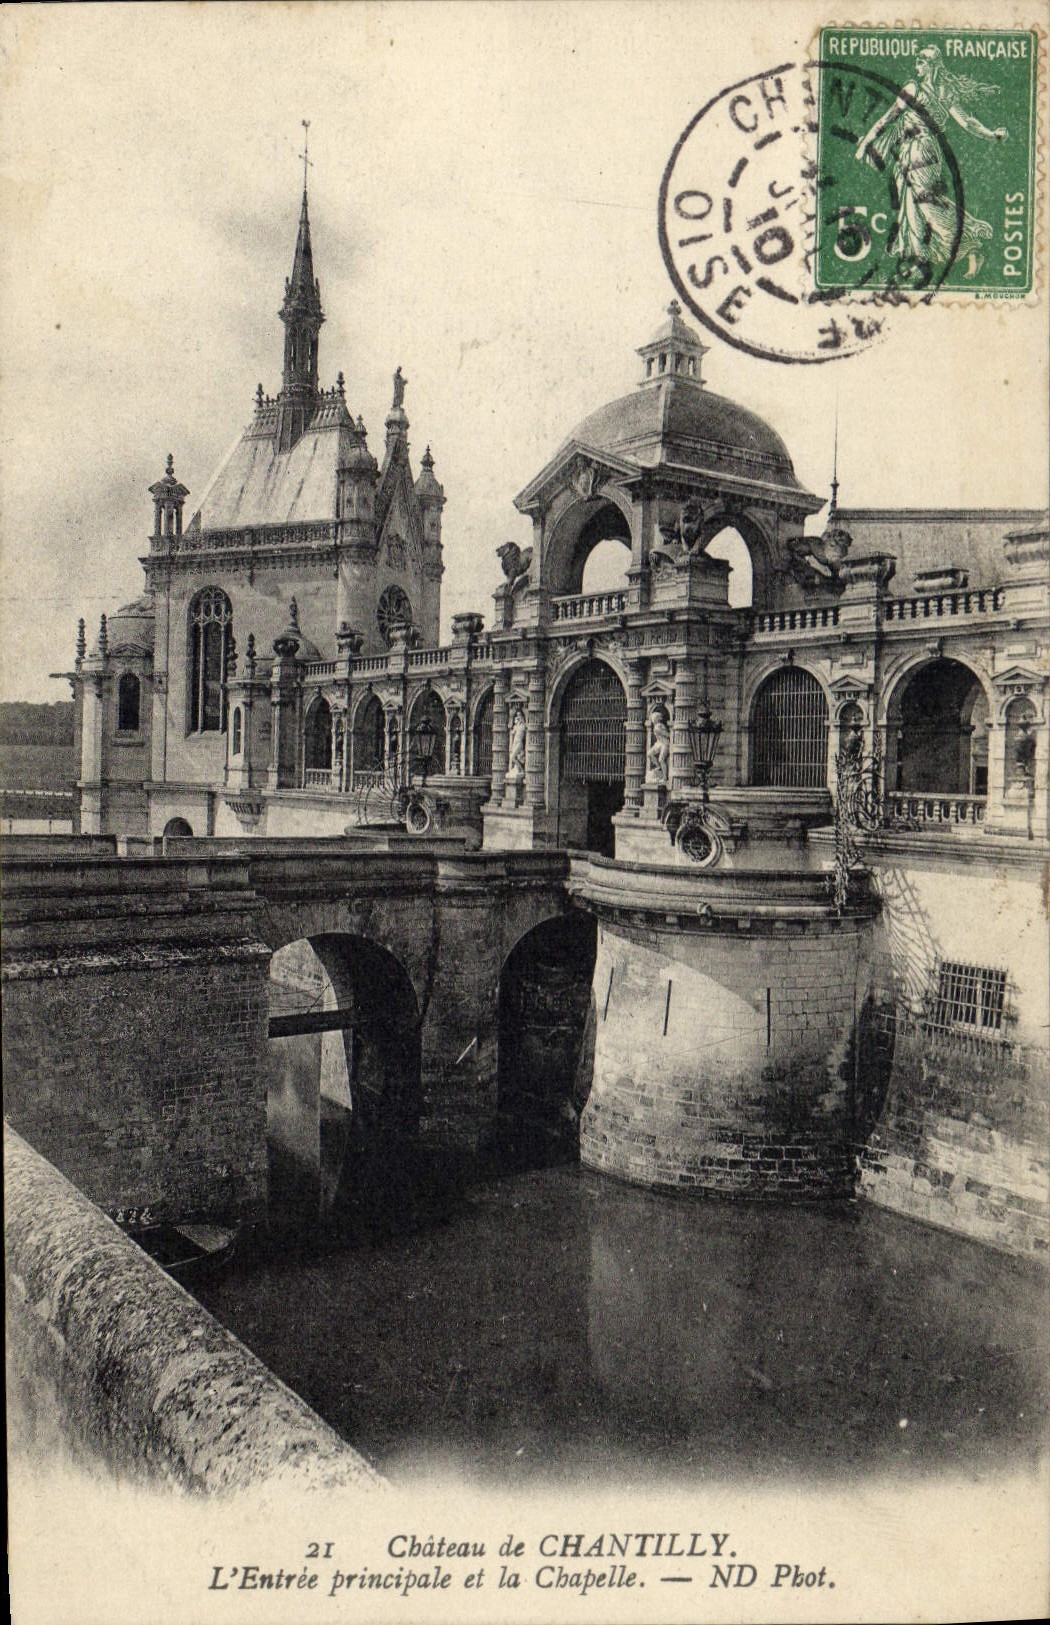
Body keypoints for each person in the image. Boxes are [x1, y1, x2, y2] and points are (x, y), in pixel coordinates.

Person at [855, 45, 1007, 281]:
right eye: (918, 58)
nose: (918, 61)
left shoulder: (945, 92)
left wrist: (990, 134)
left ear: (935, 63)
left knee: (927, 206)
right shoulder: (911, 88)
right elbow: (888, 118)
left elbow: (966, 122)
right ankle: (920, 262)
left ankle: (972, 242)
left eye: (923, 58)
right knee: (911, 208)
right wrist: (866, 142)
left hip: (925, 153)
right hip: (907, 153)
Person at [646, 703, 671, 783]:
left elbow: (668, 735)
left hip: (664, 743)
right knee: (649, 754)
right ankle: (659, 767)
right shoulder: (656, 726)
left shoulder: (659, 726)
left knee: (661, 759)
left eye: (654, 718)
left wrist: (660, 732)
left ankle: (664, 778)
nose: (653, 719)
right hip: (659, 743)